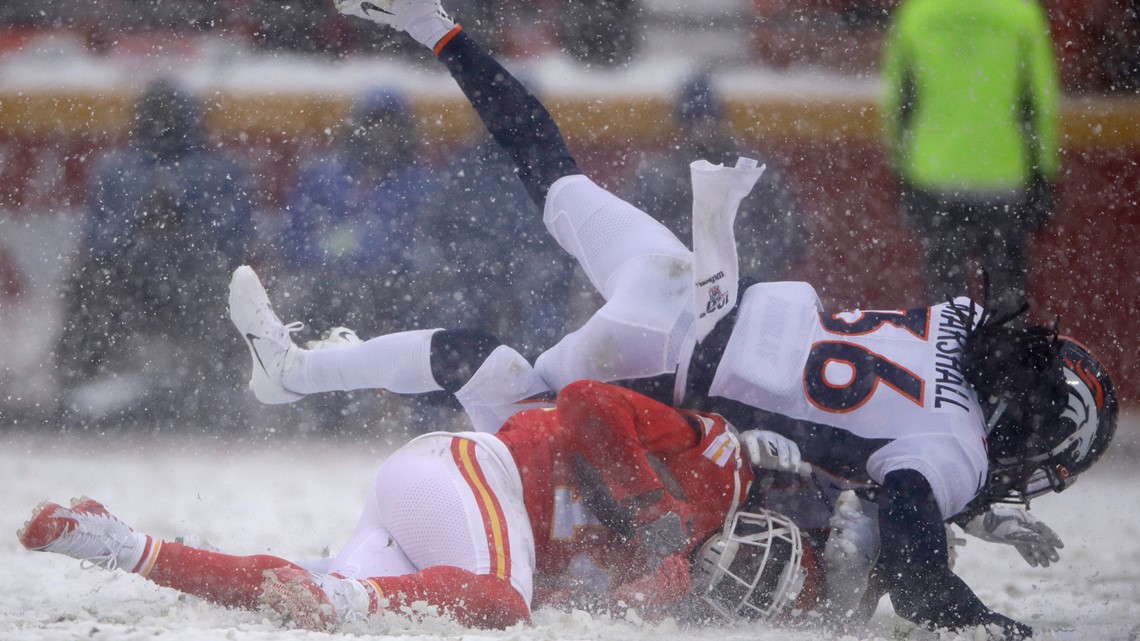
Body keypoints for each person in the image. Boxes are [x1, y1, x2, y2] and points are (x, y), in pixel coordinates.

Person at [234, 1, 1118, 637]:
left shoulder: (961, 323)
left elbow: (899, 423)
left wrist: (968, 508)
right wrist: (991, 618)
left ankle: (437, 29)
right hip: (664, 365)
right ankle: (308, 383)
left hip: (693, 286)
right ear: (1019, 426)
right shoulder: (955, 450)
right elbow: (921, 578)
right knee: (505, 398)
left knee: (553, 173)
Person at [19, 379, 842, 631]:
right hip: (465, 469)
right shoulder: (714, 469)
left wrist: (651, 587)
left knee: (319, 607)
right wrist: (651, 505)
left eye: (751, 590)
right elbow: (588, 401)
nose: (740, 570)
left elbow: (598, 602)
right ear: (771, 520)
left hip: (439, 521)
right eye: (766, 555)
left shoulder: (674, 598)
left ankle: (115, 542)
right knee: (502, 603)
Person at [54, 77, 255, 428]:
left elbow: (237, 237)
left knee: (233, 291)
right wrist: (136, 222)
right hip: (131, 278)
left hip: (195, 278)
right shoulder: (117, 170)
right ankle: (81, 389)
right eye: (155, 114)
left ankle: (220, 392)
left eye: (171, 114)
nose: (163, 123)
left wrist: (187, 222)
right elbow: (94, 237)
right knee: (88, 285)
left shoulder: (219, 170)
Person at [881, 0, 1062, 317]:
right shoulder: (1021, 13)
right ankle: (1005, 357)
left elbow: (899, 100)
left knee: (943, 303)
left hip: (933, 174)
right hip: (1005, 175)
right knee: (1007, 294)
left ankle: (944, 359)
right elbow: (1040, 99)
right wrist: (1044, 173)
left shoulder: (918, 13)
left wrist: (899, 167)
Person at [620, 73, 805, 284]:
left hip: (743, 289)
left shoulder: (752, 173)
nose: (704, 129)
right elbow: (632, 236)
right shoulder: (659, 178)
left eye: (710, 119)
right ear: (683, 126)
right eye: (696, 121)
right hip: (680, 292)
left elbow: (791, 234)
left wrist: (749, 275)